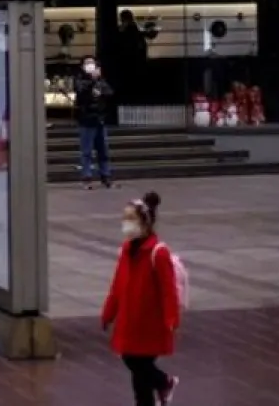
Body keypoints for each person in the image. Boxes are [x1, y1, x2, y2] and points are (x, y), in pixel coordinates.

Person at [101, 192, 180, 406]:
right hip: (131, 321)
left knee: (136, 363)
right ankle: (158, 390)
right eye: (124, 218)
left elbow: (168, 290)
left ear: (144, 223)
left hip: (149, 323)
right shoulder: (127, 250)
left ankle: (164, 382)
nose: (126, 224)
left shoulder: (158, 252)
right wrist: (108, 312)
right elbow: (117, 285)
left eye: (131, 218)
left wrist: (172, 318)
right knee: (138, 374)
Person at [73, 57, 115, 189]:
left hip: (100, 120)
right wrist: (92, 81)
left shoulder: (101, 80)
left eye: (92, 63)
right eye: (87, 63)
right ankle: (87, 178)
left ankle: (106, 176)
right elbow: (81, 91)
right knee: (87, 152)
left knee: (103, 151)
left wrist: (98, 82)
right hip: (87, 120)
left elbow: (109, 92)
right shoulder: (80, 79)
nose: (90, 66)